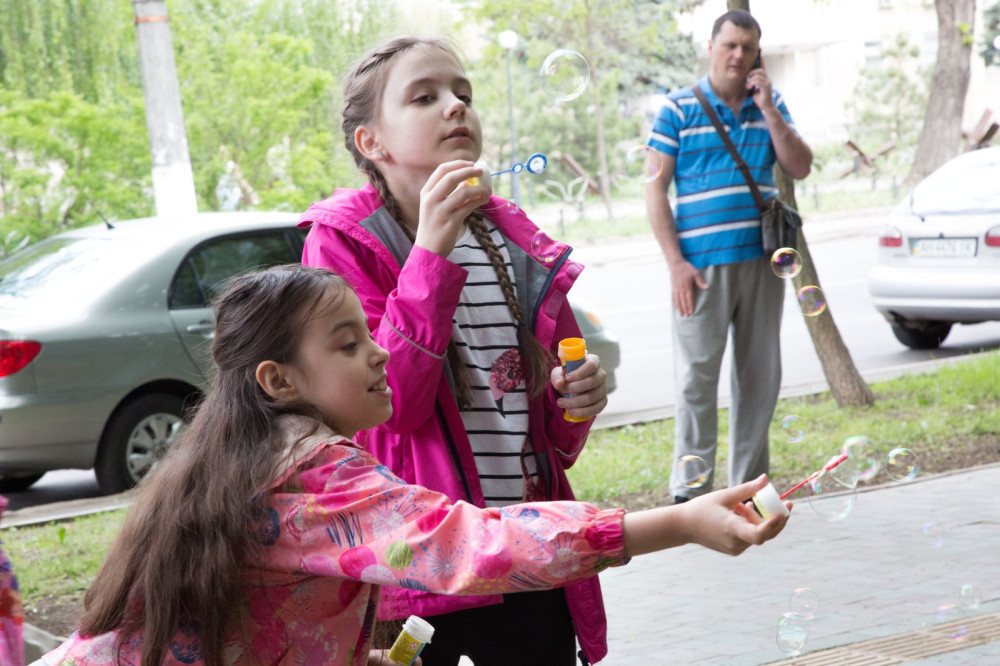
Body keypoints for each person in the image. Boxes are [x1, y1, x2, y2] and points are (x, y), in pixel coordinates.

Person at [36, 265, 791, 666]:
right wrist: (680, 523)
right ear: (279, 380)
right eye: (347, 344)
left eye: (368, 334)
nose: (377, 354)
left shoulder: (246, 459)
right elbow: (469, 544)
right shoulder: (311, 477)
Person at [298, 36, 613, 665]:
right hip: (415, 560)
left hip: (523, 548)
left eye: (463, 93)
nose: (455, 106)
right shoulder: (342, 243)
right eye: (425, 97)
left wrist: (577, 400)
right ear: (372, 142)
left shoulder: (515, 242)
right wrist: (431, 251)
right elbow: (392, 405)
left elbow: (548, 435)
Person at [644, 10, 813, 505]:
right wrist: (675, 263)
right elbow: (654, 190)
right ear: (711, 47)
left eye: (748, 47)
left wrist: (770, 110)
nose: (738, 55)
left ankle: (749, 489)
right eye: (730, 45)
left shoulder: (770, 105)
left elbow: (799, 166)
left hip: (762, 262)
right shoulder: (677, 108)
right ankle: (690, 494)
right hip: (699, 270)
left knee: (759, 377)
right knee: (696, 380)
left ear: (757, 53)